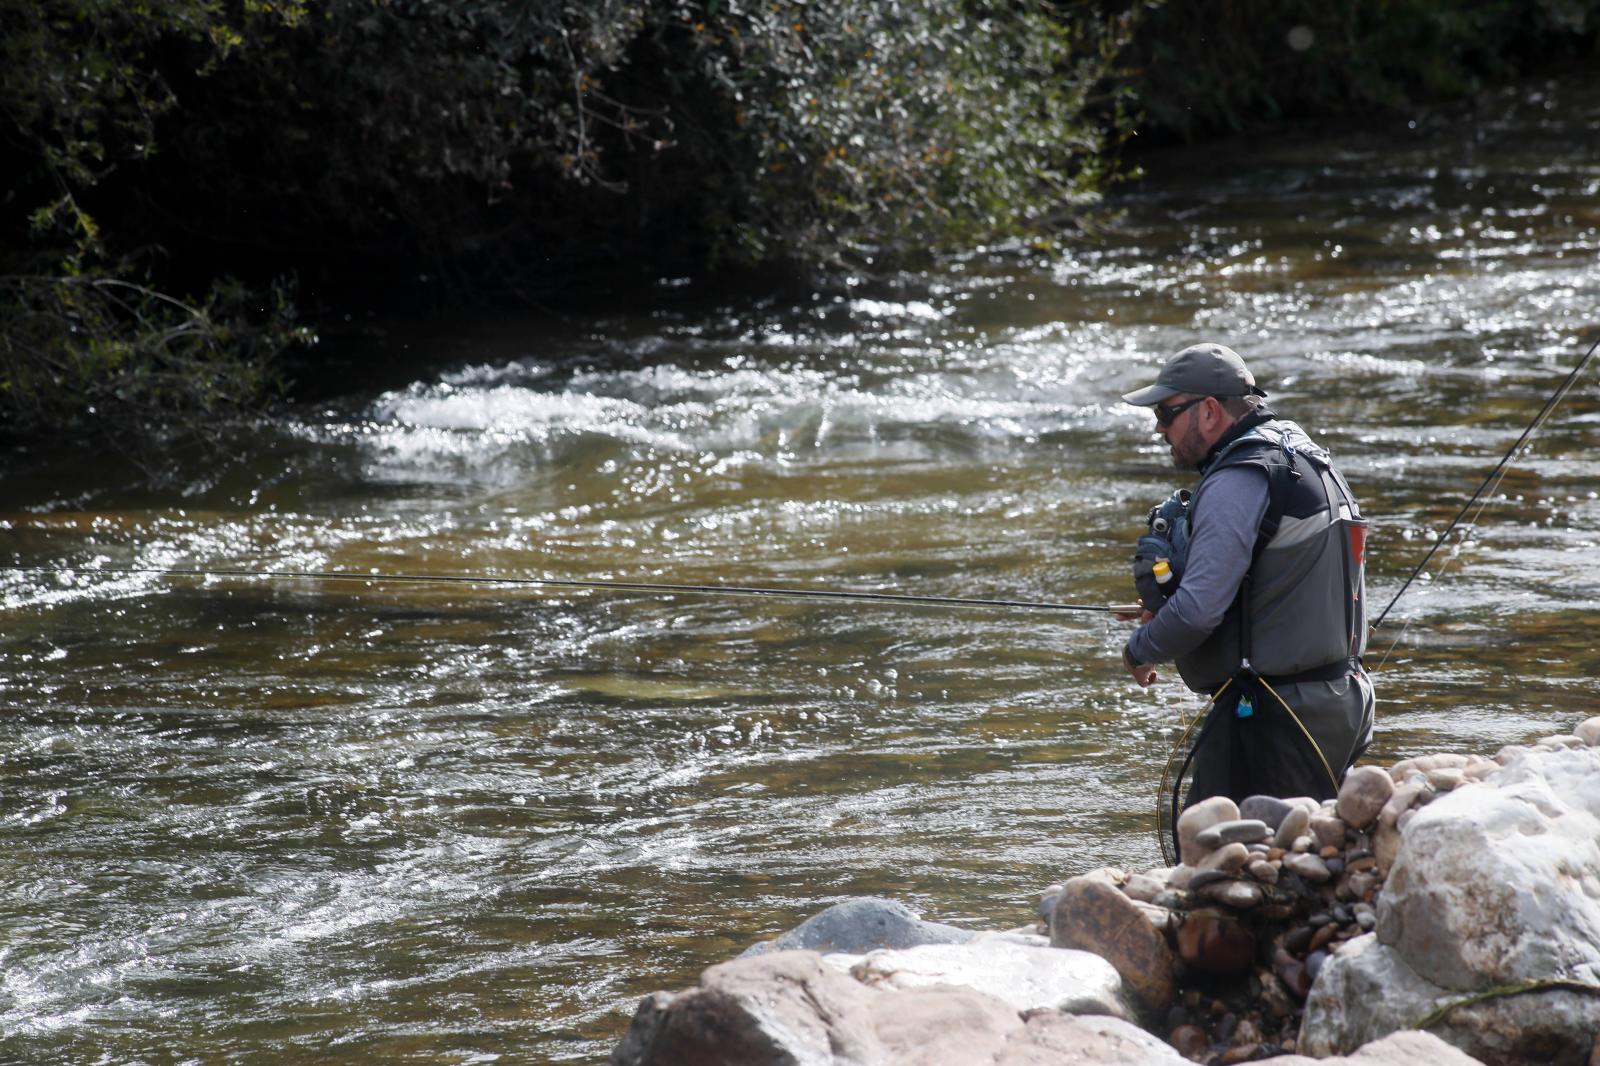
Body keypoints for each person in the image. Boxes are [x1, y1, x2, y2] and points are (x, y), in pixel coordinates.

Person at [1118, 342, 1374, 808]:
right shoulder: (1305, 455)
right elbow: (1275, 584)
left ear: (1210, 411)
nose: (1159, 427)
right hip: (1338, 699)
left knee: (1221, 865)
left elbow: (1197, 613)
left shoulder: (1239, 476)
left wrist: (1139, 650)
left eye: (1167, 411)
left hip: (1272, 717)